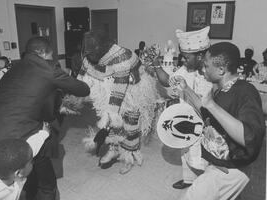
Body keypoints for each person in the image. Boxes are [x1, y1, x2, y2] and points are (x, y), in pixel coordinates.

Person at [0, 36, 90, 200]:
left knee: (11, 181)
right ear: (41, 52)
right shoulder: (49, 69)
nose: (52, 59)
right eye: (50, 56)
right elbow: (83, 89)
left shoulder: (15, 66)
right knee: (44, 174)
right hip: (14, 133)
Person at [175, 42, 265, 200]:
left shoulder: (245, 91)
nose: (203, 69)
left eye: (206, 65)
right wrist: (186, 89)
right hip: (219, 166)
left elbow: (249, 136)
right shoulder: (222, 88)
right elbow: (205, 111)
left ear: (221, 70)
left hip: (229, 170)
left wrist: (212, 106)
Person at [80, 30, 159, 174]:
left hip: (133, 90)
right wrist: (73, 99)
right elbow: (81, 77)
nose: (90, 56)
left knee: (129, 124)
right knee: (111, 125)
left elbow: (119, 90)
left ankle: (129, 157)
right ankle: (114, 150)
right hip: (109, 86)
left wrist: (111, 115)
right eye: (88, 53)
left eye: (93, 53)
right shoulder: (88, 57)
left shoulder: (123, 56)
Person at [152, 26, 213, 189]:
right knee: (185, 151)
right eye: (182, 57)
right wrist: (156, 65)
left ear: (200, 56)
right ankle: (189, 180)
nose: (183, 61)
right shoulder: (184, 69)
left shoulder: (210, 75)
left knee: (201, 158)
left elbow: (205, 105)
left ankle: (203, 186)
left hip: (204, 125)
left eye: (186, 57)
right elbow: (167, 81)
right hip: (184, 119)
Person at [0, 125, 49, 200]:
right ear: (18, 173)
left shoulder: (7, 169)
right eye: (31, 162)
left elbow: (30, 147)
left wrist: (44, 133)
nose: (33, 162)